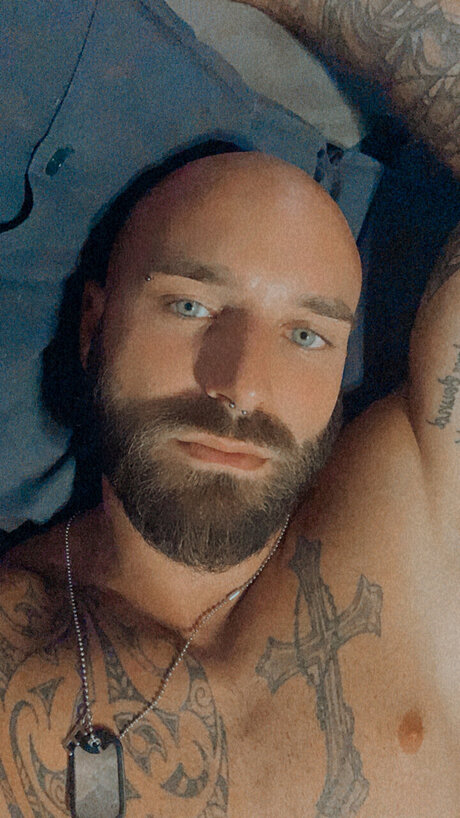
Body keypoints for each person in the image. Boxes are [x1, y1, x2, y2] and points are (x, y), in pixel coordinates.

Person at [0, 1, 458, 817]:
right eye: (191, 307)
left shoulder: (421, 526)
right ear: (94, 326)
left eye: (307, 335)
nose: (242, 386)